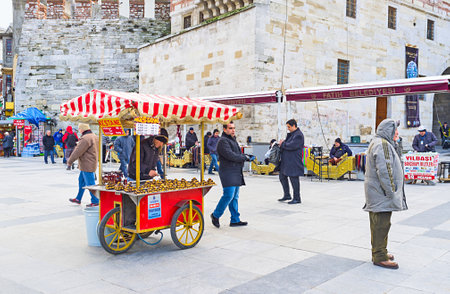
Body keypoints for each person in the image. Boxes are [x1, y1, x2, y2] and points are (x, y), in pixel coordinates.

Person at [363, 119, 408, 270]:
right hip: (381, 193)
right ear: (388, 130)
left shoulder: (381, 142)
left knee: (380, 224)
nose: (397, 133)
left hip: (377, 192)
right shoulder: (382, 144)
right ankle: (379, 256)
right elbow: (385, 170)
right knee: (381, 225)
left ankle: (380, 251)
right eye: (395, 130)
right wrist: (391, 191)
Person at [210, 121, 252, 228]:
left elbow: (236, 153)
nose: (233, 130)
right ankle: (215, 215)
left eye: (233, 128)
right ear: (224, 129)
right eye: (230, 128)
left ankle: (235, 219)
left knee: (235, 197)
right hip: (228, 172)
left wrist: (245, 155)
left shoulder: (232, 140)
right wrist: (244, 157)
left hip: (235, 171)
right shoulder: (222, 141)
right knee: (228, 195)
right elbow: (230, 155)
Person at [68, 124, 99, 207]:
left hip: (87, 164)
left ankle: (95, 201)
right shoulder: (94, 136)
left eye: (79, 129)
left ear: (82, 129)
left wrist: (70, 161)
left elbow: (77, 151)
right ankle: (78, 198)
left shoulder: (85, 138)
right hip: (91, 162)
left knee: (90, 183)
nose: (79, 130)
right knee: (81, 181)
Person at [278, 119, 304, 204]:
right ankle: (287, 195)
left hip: (294, 161)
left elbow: (291, 146)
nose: (288, 128)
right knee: (282, 177)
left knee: (294, 179)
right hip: (286, 161)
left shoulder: (298, 135)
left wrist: (283, 144)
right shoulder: (291, 135)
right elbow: (286, 144)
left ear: (294, 126)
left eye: (289, 127)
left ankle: (297, 198)